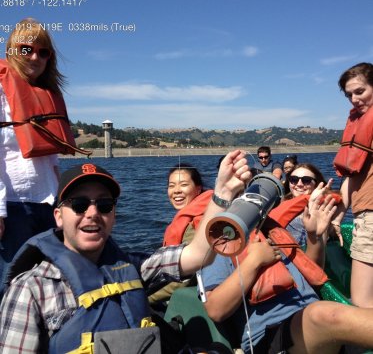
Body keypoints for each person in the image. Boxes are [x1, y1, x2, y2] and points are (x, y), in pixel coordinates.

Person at [0, 150, 251, 353]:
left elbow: (199, 255)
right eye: (79, 204)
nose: (93, 213)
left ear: (113, 216)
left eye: (105, 205)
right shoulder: (30, 289)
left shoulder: (133, 268)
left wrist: (224, 193)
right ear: (58, 216)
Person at [200, 188, 373, 354]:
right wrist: (253, 261)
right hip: (272, 337)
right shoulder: (221, 246)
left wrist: (314, 236)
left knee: (322, 314)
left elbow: (311, 273)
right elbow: (215, 309)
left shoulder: (273, 231)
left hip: (313, 328)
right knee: (321, 314)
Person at [0, 18, 81, 298]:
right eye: (27, 49)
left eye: (43, 51)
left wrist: (62, 203)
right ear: (13, 50)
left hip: (46, 203)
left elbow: (51, 160)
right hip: (13, 206)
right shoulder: (2, 91)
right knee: (10, 283)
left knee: (48, 280)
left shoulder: (47, 95)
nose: (35, 56)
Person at [333, 62, 373, 308]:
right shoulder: (360, 125)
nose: (354, 99)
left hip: (371, 216)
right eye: (349, 95)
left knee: (362, 301)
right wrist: (337, 217)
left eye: (360, 91)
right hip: (363, 214)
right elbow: (352, 176)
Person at [148, 164, 213, 306]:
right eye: (171, 186)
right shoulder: (195, 213)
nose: (176, 191)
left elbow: (185, 277)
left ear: (198, 188)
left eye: (183, 185)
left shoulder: (198, 223)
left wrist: (144, 297)